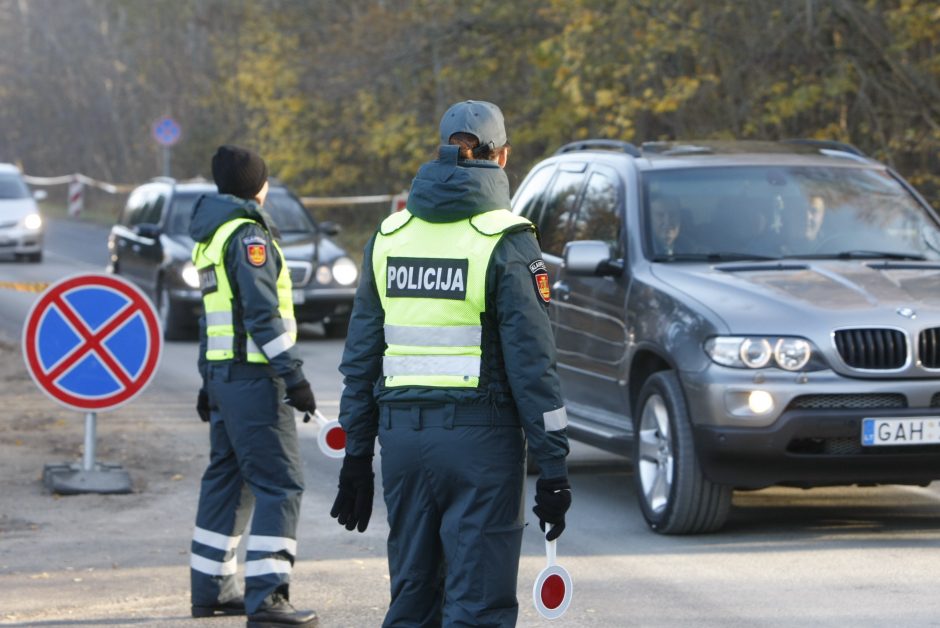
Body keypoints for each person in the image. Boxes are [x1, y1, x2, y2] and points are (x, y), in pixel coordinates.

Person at [330, 100, 572, 626]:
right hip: (481, 446)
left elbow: (362, 358)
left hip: (402, 446)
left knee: (414, 599)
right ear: (501, 156)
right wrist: (553, 467)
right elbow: (534, 368)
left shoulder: (390, 236)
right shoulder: (507, 241)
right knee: (478, 604)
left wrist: (355, 454)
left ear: (441, 150)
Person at [188, 145, 318, 628]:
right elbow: (261, 315)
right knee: (282, 485)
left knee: (226, 480)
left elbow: (211, 319)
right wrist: (295, 376)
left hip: (224, 379)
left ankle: (212, 591)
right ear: (257, 185)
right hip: (254, 378)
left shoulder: (210, 234)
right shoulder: (247, 236)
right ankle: (268, 599)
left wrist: (207, 382)